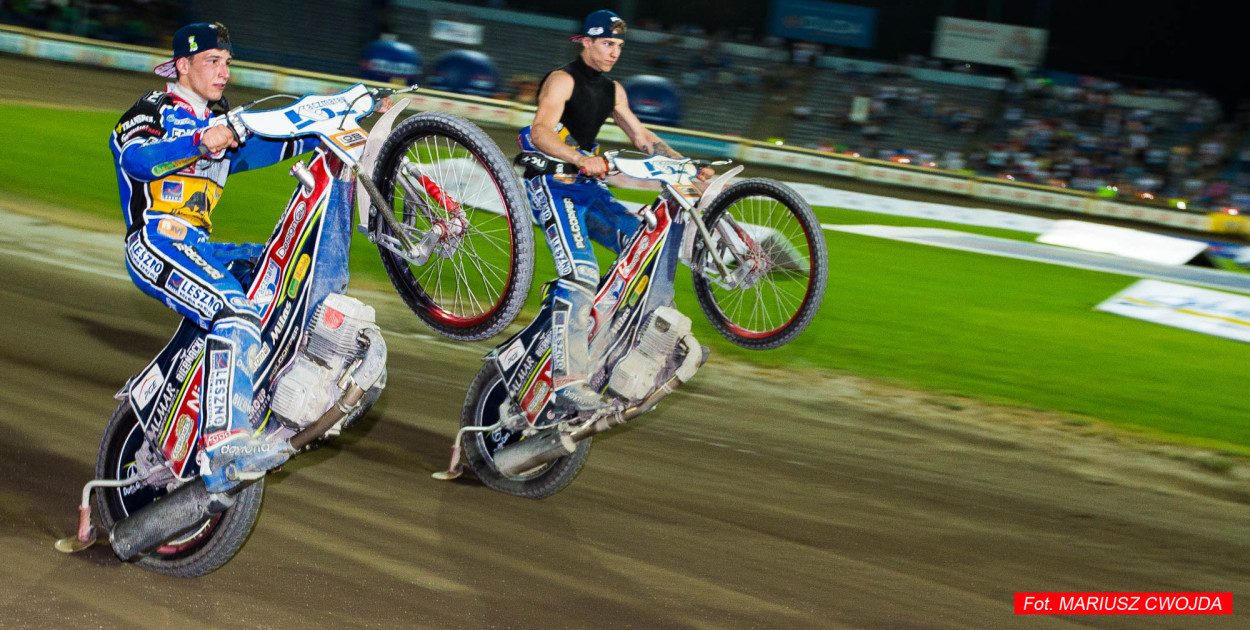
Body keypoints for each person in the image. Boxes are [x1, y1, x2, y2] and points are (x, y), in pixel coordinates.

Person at [110, 23, 311, 492]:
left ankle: (264, 402)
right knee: (235, 313)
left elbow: (265, 148)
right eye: (213, 62)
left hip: (201, 250)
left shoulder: (221, 121)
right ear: (182, 65)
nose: (224, 72)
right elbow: (135, 160)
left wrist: (328, 129)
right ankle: (224, 441)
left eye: (227, 63)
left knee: (285, 269)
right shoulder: (153, 109)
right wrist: (200, 142)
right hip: (155, 243)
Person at [516, 10, 711, 413]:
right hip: (553, 185)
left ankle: (642, 344)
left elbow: (641, 137)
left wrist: (685, 167)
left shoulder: (613, 90)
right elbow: (540, 131)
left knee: (646, 245)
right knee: (582, 273)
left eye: (619, 45)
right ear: (585, 42)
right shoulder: (562, 79)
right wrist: (578, 158)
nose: (614, 52)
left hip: (587, 187)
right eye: (607, 43)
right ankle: (567, 381)